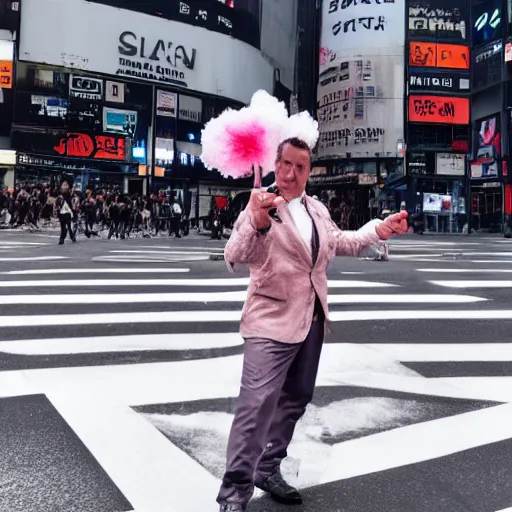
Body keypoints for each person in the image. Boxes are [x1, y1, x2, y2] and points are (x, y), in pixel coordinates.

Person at [217, 137, 409, 512]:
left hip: (312, 319)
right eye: (285, 164)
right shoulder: (261, 204)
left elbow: (340, 242)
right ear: (276, 164)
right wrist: (257, 223)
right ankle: (234, 494)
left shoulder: (316, 209)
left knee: (295, 399)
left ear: (308, 171)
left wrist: (379, 231)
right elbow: (236, 255)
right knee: (255, 407)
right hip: (269, 321)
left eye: (300, 167)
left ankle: (268, 468)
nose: (290, 173)